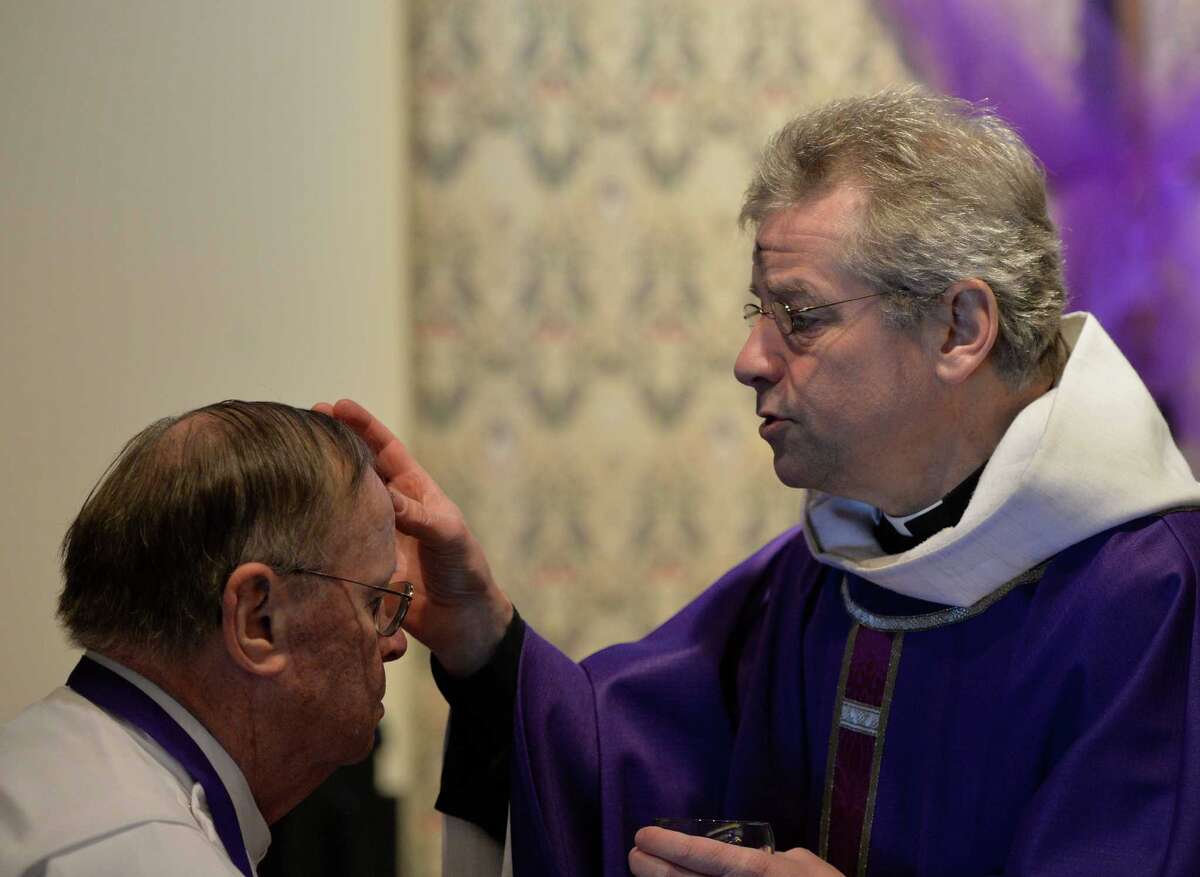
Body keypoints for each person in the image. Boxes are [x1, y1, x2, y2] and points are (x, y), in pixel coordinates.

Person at [331, 88, 1200, 877]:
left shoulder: (1150, 595)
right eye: (761, 312)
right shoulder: (834, 566)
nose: (749, 359)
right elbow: (612, 753)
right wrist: (485, 638)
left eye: (801, 316)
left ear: (959, 327)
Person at [0, 401, 411, 876]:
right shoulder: (150, 858)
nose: (396, 643)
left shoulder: (47, 763)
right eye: (374, 602)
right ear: (259, 620)